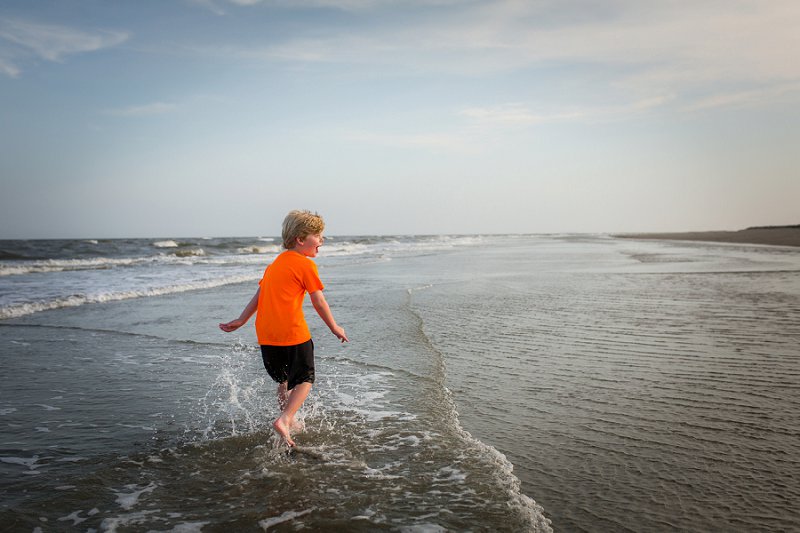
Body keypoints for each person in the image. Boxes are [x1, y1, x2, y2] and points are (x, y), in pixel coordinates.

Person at [219, 210, 348, 446]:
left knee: (284, 380)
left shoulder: (275, 264)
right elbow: (319, 301)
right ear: (300, 239)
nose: (321, 241)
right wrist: (334, 327)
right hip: (293, 333)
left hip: (267, 338)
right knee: (305, 379)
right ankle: (285, 418)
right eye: (318, 236)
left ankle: (290, 418)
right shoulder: (305, 265)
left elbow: (260, 294)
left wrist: (241, 319)